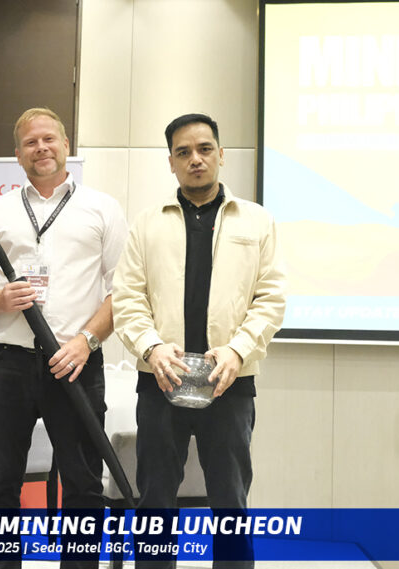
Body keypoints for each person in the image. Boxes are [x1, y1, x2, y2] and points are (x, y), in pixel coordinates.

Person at [112, 113, 287, 568]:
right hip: (161, 380)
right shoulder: (147, 224)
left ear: (221, 155)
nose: (196, 159)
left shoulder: (257, 221)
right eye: (184, 152)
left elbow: (271, 298)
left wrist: (238, 349)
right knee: (155, 505)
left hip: (229, 382)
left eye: (205, 149)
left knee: (231, 504)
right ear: (171, 162)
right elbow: (127, 298)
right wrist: (151, 347)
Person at [0, 107, 128, 569]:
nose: (41, 148)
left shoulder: (102, 208)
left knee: (83, 486)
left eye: (49, 139)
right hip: (7, 364)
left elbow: (124, 290)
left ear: (66, 145)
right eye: (30, 142)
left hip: (75, 361)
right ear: (17, 154)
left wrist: (86, 341)